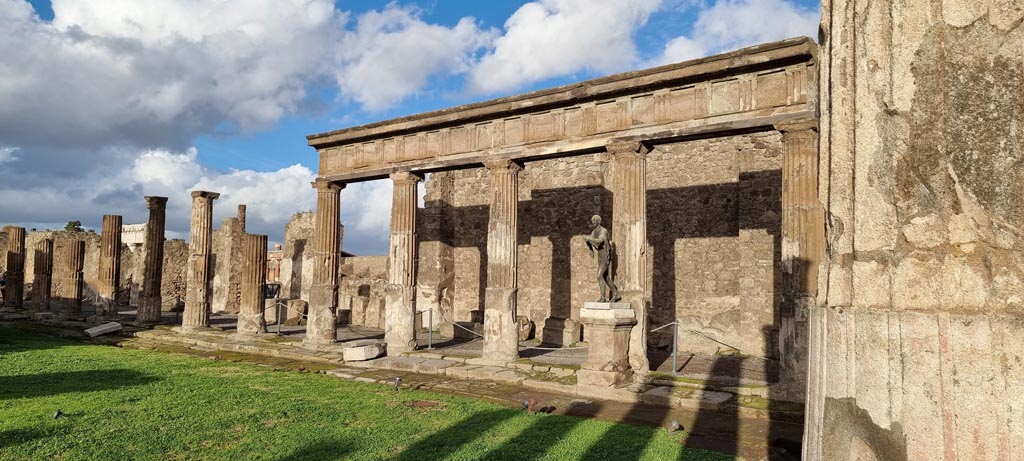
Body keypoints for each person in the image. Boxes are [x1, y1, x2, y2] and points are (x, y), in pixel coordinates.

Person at [583, 215, 620, 302]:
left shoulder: (603, 231)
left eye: (595, 220)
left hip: (605, 256)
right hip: (600, 256)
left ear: (598, 221)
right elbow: (590, 241)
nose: (593, 222)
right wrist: (590, 248)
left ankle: (603, 298)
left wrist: (589, 238)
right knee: (606, 277)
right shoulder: (594, 232)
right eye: (592, 220)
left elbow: (599, 241)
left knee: (599, 275)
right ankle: (616, 294)